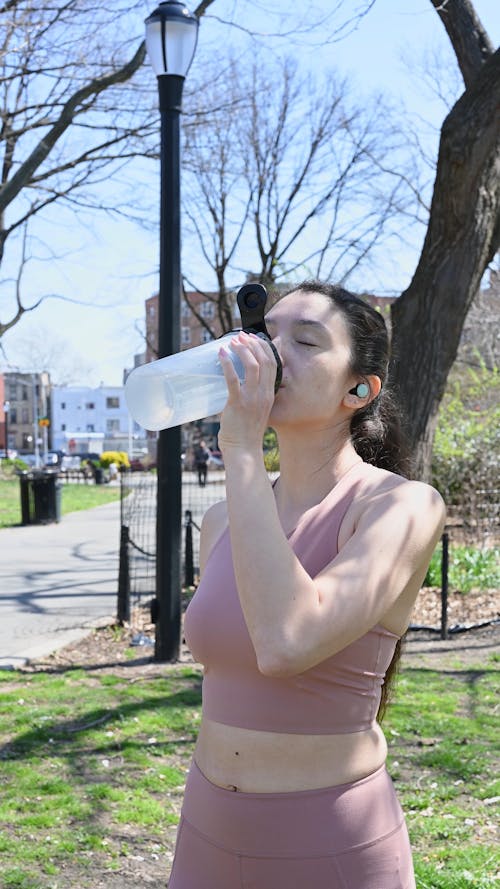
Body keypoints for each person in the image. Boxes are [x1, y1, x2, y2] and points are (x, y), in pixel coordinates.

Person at [168, 282, 446, 889]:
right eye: (268, 333)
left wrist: (241, 446)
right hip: (206, 834)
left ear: (358, 390)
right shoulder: (223, 521)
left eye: (306, 340)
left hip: (329, 842)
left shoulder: (400, 506)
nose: (273, 352)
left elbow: (286, 643)